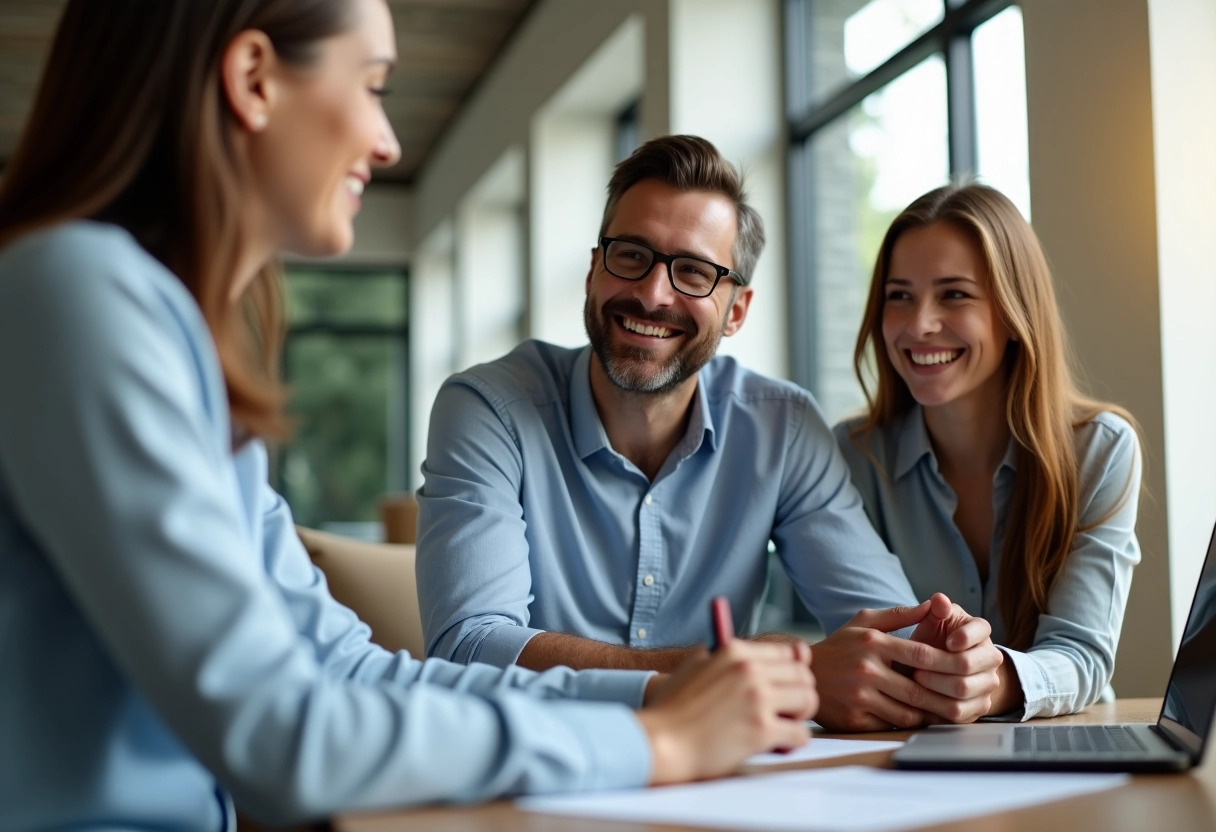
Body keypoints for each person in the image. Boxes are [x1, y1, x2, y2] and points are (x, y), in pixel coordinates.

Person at [0, 2, 820, 828]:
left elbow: (346, 671)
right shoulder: (74, 292)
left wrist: (663, 697)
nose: (386, 142)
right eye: (373, 85)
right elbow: (282, 733)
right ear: (252, 80)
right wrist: (661, 746)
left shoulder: (157, 335)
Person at [416, 134, 1004, 733]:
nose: (651, 293)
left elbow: (895, 635)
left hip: (719, 784)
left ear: (737, 312)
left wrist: (947, 656)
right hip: (533, 767)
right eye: (630, 256)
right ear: (595, 270)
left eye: (694, 272)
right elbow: (469, 647)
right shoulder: (488, 408)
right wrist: (768, 668)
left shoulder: (782, 427)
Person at [834, 182, 1142, 720]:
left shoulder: (1100, 449)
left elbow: (1084, 654)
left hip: (1056, 743)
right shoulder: (854, 456)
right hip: (901, 749)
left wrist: (990, 683)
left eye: (954, 294)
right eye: (899, 295)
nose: (919, 324)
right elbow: (867, 643)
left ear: (1014, 312)